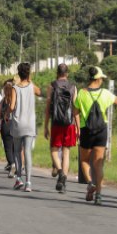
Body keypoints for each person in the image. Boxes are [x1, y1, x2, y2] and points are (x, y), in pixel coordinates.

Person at [73, 66, 117, 205]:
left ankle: (90, 182)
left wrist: (77, 128)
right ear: (98, 79)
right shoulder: (105, 93)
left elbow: (75, 111)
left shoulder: (81, 93)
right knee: (98, 164)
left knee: (84, 160)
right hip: (101, 131)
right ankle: (99, 195)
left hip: (86, 130)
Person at [44, 63, 78, 193]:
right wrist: (77, 127)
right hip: (69, 123)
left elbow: (48, 108)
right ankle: (63, 182)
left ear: (57, 73)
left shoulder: (52, 86)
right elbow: (75, 109)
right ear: (67, 74)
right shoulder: (73, 87)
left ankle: (60, 173)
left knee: (53, 150)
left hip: (56, 122)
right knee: (66, 152)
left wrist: (46, 125)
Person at [9, 63, 41, 192]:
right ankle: (28, 182)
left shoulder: (15, 88)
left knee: (17, 151)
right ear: (28, 73)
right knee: (27, 152)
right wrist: (30, 80)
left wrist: (6, 114)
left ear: (18, 73)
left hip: (18, 123)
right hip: (30, 124)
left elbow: (12, 107)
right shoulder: (32, 86)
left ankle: (19, 178)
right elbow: (40, 92)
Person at [0, 79, 15, 178]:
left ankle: (11, 163)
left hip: (6, 125)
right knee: (15, 147)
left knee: (8, 148)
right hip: (16, 124)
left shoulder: (3, 101)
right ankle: (17, 164)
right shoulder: (16, 100)